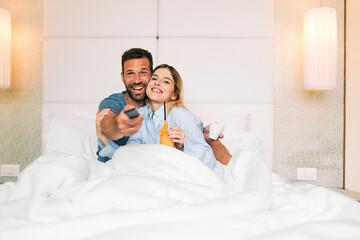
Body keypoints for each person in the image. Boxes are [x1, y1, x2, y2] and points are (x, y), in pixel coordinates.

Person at [97, 48, 231, 165]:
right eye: (155, 79)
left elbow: (206, 157)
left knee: (213, 142)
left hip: (176, 169)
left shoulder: (180, 115)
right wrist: (105, 139)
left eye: (166, 81)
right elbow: (130, 152)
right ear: (122, 77)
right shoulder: (139, 113)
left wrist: (183, 145)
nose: (157, 83)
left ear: (174, 95)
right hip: (150, 170)